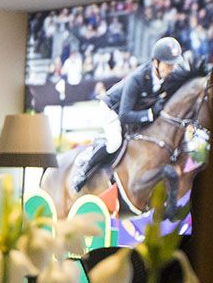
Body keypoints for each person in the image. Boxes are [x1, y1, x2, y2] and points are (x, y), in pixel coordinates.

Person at [72, 36, 184, 191]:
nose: (172, 69)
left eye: (174, 65)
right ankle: (84, 169)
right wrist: (150, 114)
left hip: (133, 111)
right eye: (168, 65)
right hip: (112, 109)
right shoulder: (137, 79)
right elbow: (124, 116)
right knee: (115, 142)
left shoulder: (168, 76)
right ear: (156, 63)